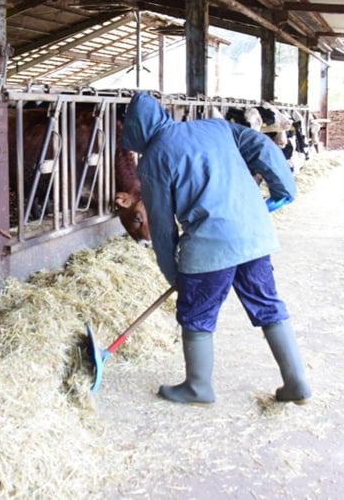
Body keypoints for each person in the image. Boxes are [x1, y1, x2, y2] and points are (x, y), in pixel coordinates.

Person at [120, 92, 310, 405]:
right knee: (267, 304)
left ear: (136, 129)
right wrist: (284, 187)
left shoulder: (153, 158)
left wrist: (173, 273)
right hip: (254, 234)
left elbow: (163, 227)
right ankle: (297, 382)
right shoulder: (216, 127)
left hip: (210, 244)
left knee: (196, 313)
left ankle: (198, 387)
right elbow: (263, 146)